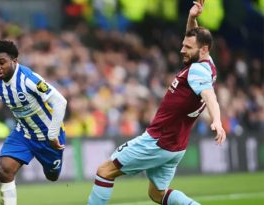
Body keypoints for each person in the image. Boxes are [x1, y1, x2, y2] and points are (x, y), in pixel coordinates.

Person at [87, 1, 226, 205]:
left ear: (203, 49)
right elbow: (192, 39)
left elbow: (209, 96)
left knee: (105, 171)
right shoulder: (207, 63)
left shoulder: (197, 71)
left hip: (158, 141)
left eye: (187, 48)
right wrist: (192, 17)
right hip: (176, 145)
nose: (182, 50)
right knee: (157, 194)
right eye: (183, 45)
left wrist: (217, 120)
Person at [0, 40, 67, 205]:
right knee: (5, 170)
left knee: (52, 176)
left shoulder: (30, 79)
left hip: (49, 136)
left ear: (14, 61)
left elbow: (60, 102)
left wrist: (52, 134)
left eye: (2, 62)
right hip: (23, 133)